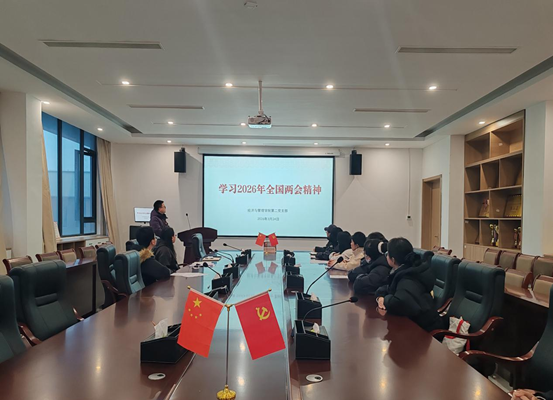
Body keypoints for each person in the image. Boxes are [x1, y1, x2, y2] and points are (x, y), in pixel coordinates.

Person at [375, 237, 443, 332]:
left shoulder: (409, 277)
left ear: (393, 260)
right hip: (414, 323)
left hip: (423, 330)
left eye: (387, 254)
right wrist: (380, 295)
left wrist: (385, 299)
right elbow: (389, 288)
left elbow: (398, 303)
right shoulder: (409, 269)